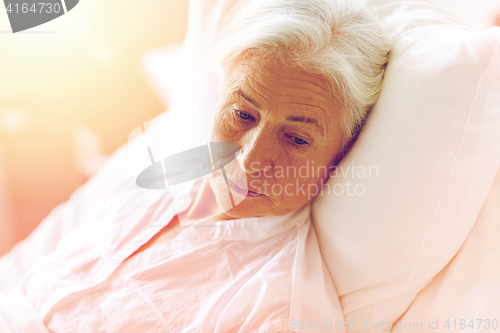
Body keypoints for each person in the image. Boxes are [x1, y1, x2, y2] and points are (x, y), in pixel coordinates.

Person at [0, 0, 392, 331]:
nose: (251, 160)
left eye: (296, 139)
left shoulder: (275, 312)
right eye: (242, 114)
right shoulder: (155, 175)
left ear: (342, 154)